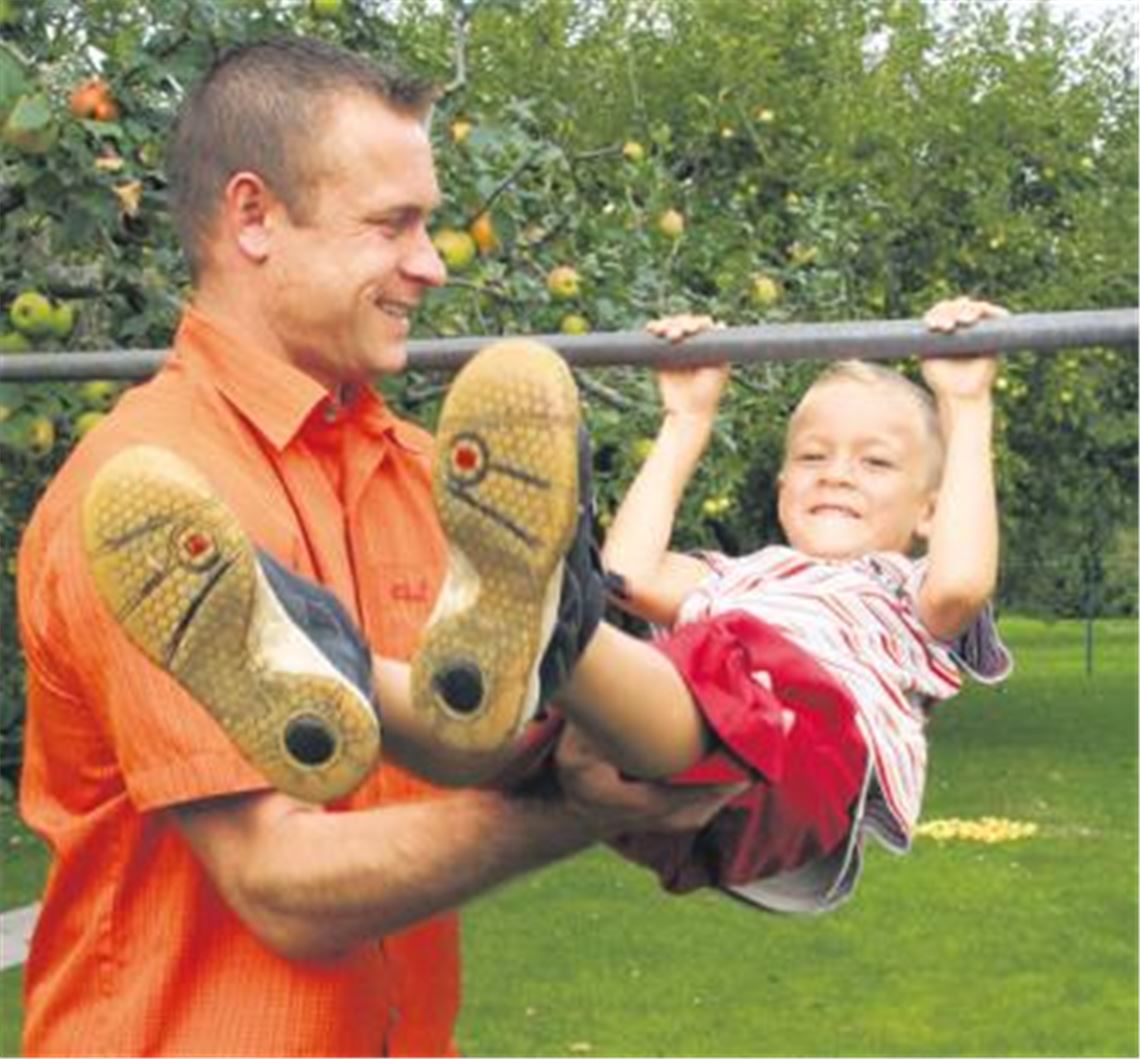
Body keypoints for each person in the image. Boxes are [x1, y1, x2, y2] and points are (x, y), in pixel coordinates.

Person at [16, 37, 735, 1057]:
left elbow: (493, 758)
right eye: (392, 224)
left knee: (598, 699)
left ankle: (555, 640)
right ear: (254, 217)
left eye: (431, 224)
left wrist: (629, 766)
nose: (432, 264)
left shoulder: (433, 476)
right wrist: (573, 811)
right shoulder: (145, 497)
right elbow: (279, 886)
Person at [402, 296, 1014, 913]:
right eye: (812, 456)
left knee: (714, 654)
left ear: (931, 510)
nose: (837, 474)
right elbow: (630, 576)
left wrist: (965, 407)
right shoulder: (737, 577)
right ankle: (353, 673)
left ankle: (547, 612)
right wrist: (687, 419)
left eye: (876, 462)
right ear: (782, 490)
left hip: (799, 774)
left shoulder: (902, 591)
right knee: (518, 731)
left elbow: (962, 581)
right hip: (659, 782)